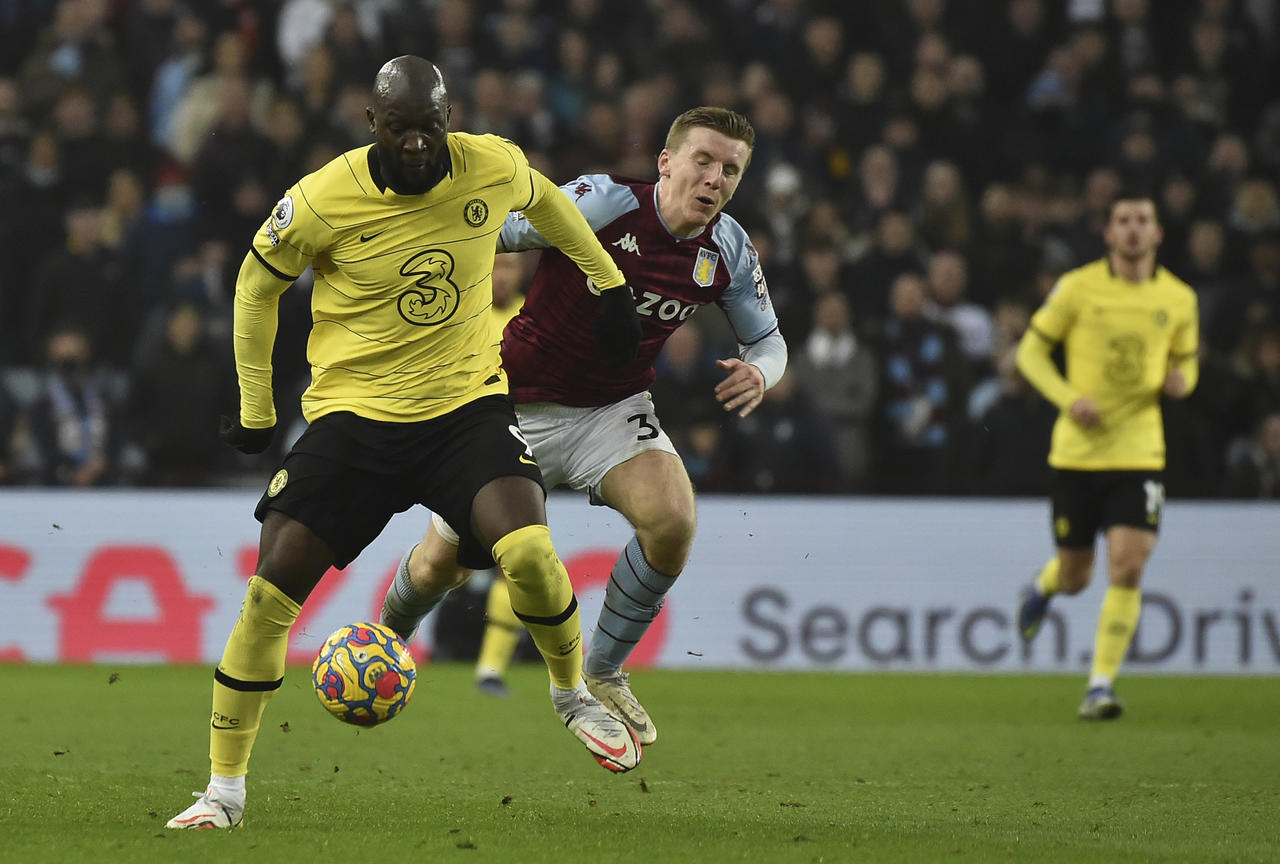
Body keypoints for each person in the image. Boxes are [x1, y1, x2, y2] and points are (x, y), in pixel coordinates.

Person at [166, 56, 644, 831]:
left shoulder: (490, 164)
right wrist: (258, 409)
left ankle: (571, 694)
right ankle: (223, 793)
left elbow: (552, 205)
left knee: (527, 550)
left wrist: (609, 285)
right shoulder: (322, 197)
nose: (418, 143)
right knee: (268, 598)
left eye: (430, 126)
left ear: (448, 118)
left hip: (465, 411)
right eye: (400, 128)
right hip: (353, 421)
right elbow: (256, 285)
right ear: (371, 124)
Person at [380, 106, 787, 744]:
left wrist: (763, 372)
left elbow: (769, 341)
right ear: (667, 163)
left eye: (730, 170)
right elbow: (499, 233)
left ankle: (604, 669)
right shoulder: (605, 201)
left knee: (673, 520)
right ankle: (384, 643)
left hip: (612, 409)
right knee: (443, 565)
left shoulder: (728, 248)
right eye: (703, 161)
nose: (714, 179)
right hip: (515, 405)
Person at [1015, 192, 1199, 720]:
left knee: (1128, 566)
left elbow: (1186, 357)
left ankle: (1100, 685)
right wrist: (1070, 399)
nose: (1135, 229)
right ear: (1109, 234)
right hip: (1077, 454)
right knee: (1077, 576)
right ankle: (1045, 585)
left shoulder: (1180, 298)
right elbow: (1029, 352)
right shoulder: (1078, 288)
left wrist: (1185, 379)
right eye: (1124, 221)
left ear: (1159, 233)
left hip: (1140, 451)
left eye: (1144, 220)